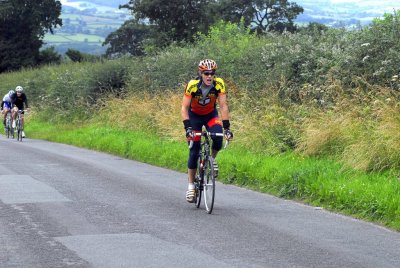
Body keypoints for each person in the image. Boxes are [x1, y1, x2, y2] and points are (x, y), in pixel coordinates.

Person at [181, 59, 233, 203]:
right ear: (201, 73)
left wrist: (227, 128)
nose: (210, 76)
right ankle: (191, 186)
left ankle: (212, 159)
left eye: (212, 73)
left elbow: (223, 106)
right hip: (194, 117)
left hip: (211, 115)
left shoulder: (219, 84)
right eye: (206, 73)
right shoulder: (192, 85)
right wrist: (188, 128)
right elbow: (184, 108)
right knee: (194, 150)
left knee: (218, 138)